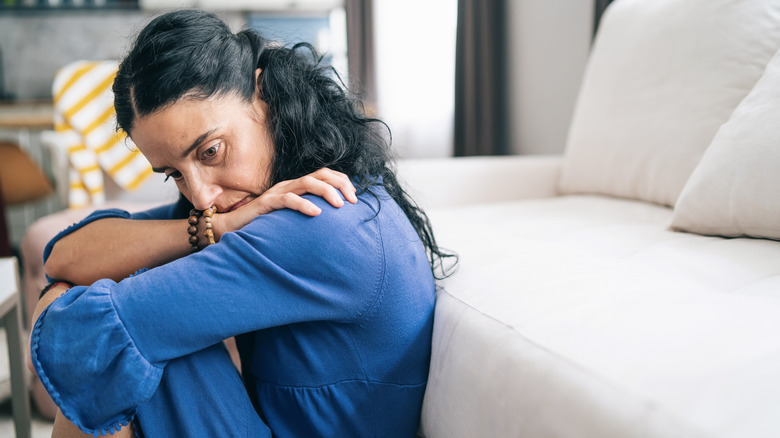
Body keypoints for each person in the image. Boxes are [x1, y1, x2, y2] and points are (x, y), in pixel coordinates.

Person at [28, 9, 454, 438]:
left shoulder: (319, 222)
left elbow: (73, 339)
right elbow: (65, 255)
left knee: (122, 347)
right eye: (173, 173)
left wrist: (57, 300)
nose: (200, 195)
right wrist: (213, 229)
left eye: (210, 151)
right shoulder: (258, 201)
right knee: (124, 321)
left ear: (262, 94)